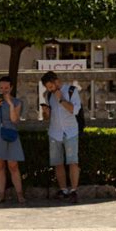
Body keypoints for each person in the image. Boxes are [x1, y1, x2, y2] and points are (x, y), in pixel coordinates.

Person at [40, 71, 81, 203]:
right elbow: (48, 117)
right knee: (58, 163)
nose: (49, 89)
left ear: (57, 81)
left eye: (50, 86)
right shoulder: (48, 95)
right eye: (47, 87)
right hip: (54, 132)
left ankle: (74, 191)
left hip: (71, 131)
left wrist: (61, 99)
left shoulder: (71, 91)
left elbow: (74, 110)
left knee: (73, 162)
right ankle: (63, 190)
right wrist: (46, 113)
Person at [0, 76, 26, 203]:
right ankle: (1, 194)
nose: (4, 90)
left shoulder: (17, 102)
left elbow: (15, 120)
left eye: (6, 88)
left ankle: (20, 194)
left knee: (13, 165)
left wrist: (10, 104)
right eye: (1, 88)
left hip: (10, 132)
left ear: (11, 88)